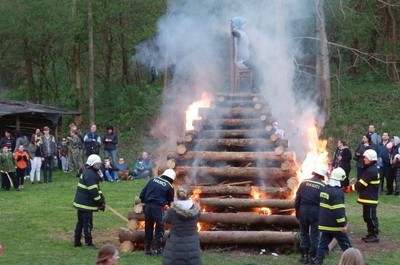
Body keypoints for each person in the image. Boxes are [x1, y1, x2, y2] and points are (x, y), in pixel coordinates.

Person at [314, 167, 352, 265]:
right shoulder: (337, 193)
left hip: (324, 224)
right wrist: (343, 224)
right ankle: (356, 262)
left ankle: (318, 262)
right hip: (335, 226)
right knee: (347, 246)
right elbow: (338, 211)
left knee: (322, 245)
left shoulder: (324, 189)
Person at [294, 166, 327, 264]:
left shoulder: (304, 182)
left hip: (303, 210)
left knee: (304, 233)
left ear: (314, 173)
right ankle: (313, 257)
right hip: (316, 212)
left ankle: (304, 256)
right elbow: (324, 203)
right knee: (315, 235)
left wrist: (297, 211)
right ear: (322, 176)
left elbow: (297, 198)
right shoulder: (323, 186)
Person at [139, 169, 176, 255]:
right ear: (172, 178)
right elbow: (170, 201)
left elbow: (142, 195)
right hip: (158, 208)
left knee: (148, 226)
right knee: (160, 227)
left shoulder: (152, 180)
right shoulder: (169, 186)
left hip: (147, 207)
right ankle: (157, 248)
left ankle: (147, 248)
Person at [73, 154, 106, 247]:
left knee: (80, 222)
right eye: (97, 164)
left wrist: (102, 200)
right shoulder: (90, 174)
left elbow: (97, 189)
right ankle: (88, 242)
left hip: (81, 202)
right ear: (93, 164)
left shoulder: (89, 172)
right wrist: (100, 202)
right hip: (86, 203)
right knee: (87, 223)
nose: (99, 165)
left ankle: (77, 241)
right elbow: (93, 191)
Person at [162, 188, 201, 265]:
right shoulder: (196, 209)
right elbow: (198, 218)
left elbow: (166, 219)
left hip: (176, 239)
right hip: (192, 240)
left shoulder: (172, 210)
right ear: (189, 196)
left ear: (177, 196)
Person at [349, 149, 380, 243]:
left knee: (370, 217)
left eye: (366, 157)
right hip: (368, 197)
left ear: (370, 159)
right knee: (367, 217)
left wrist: (350, 189)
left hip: (370, 198)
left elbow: (361, 184)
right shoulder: (371, 168)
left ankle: (374, 235)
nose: (364, 159)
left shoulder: (372, 170)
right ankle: (370, 233)